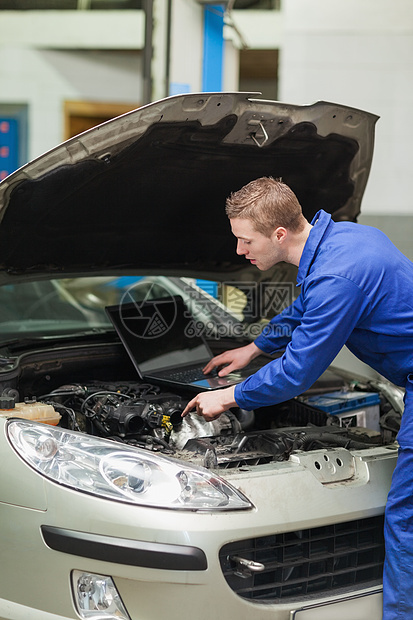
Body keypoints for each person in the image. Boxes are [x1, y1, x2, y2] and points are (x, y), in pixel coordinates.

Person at [181, 177, 413, 620]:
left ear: (279, 234)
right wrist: (254, 348)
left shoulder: (337, 276)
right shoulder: (344, 239)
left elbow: (296, 374)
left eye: (245, 240)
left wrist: (230, 397)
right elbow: (306, 307)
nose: (239, 251)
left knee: (406, 518)